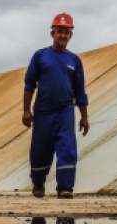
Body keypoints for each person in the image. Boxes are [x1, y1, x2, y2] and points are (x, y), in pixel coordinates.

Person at [22, 13, 89, 199]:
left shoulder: (74, 61)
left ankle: (65, 188)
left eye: (66, 32)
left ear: (71, 35)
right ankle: (38, 183)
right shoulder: (40, 56)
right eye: (60, 31)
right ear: (53, 33)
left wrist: (84, 116)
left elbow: (80, 90)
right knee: (40, 150)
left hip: (65, 112)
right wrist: (26, 111)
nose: (63, 35)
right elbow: (29, 84)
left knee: (67, 148)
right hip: (43, 112)